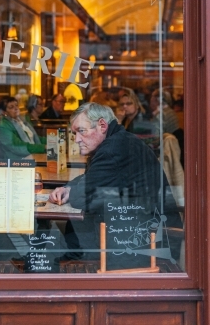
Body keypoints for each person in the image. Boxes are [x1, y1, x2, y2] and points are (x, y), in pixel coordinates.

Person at [48, 102, 164, 263]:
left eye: (81, 131)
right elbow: (90, 177)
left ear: (102, 125)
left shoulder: (112, 150)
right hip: (141, 231)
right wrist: (68, 188)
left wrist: (72, 192)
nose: (77, 140)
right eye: (74, 133)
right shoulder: (118, 140)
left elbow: (81, 199)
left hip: (141, 245)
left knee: (70, 227)